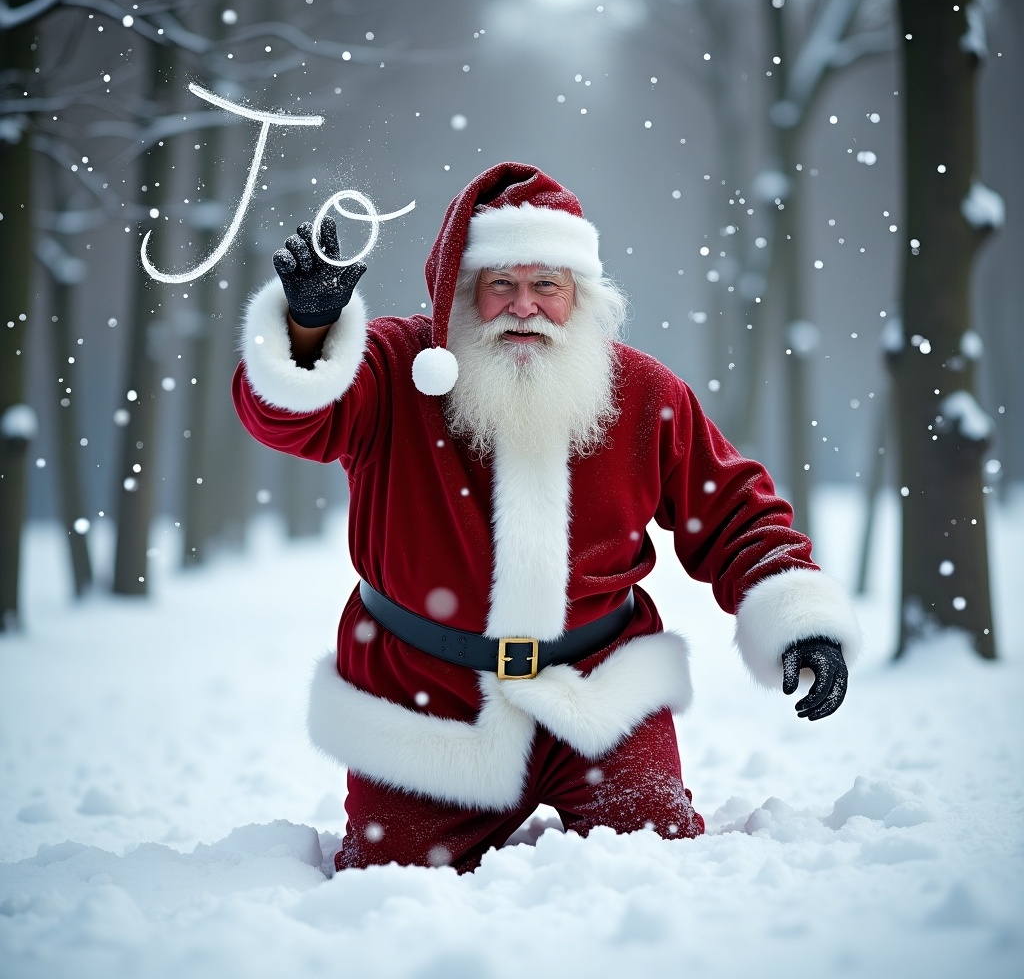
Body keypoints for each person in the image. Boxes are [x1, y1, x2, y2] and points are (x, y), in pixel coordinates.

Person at [232, 162, 862, 872]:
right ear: (462, 294)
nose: (523, 307)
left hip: (601, 696)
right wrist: (309, 331)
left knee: (659, 863)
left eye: (546, 287)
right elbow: (289, 417)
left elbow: (734, 511)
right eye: (500, 284)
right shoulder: (395, 369)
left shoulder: (642, 392)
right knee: (388, 882)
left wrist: (799, 619)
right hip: (423, 703)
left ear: (581, 296)